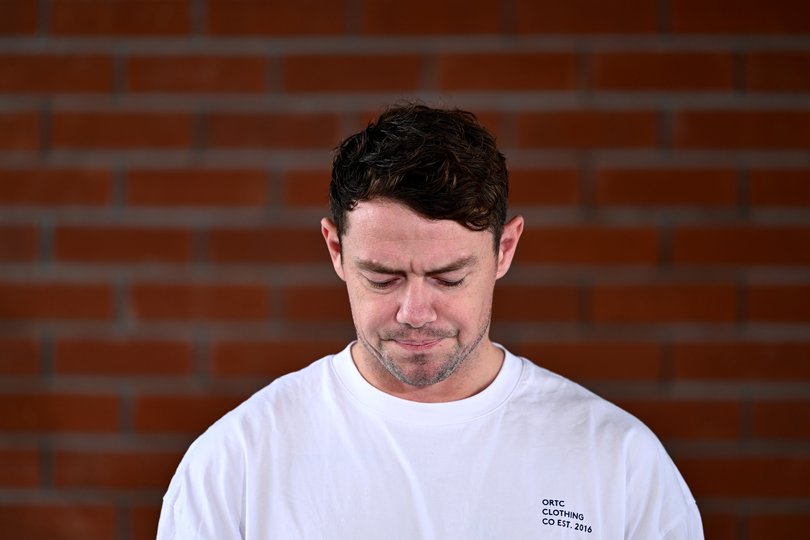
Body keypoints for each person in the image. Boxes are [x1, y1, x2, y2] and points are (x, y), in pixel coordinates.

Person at [157, 103, 704, 539]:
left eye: (448, 277)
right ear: (335, 250)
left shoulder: (619, 461)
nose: (415, 313)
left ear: (505, 249)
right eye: (383, 277)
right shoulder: (235, 464)